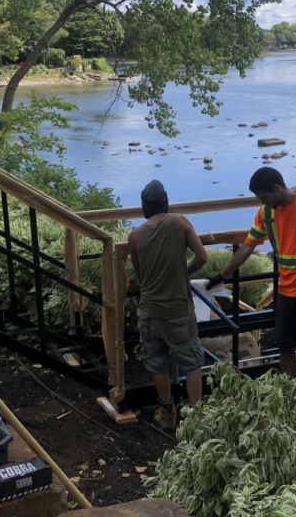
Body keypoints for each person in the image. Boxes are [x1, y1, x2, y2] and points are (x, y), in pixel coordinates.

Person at [209, 167, 296, 389]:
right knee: (284, 343)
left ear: (277, 188)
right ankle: (289, 389)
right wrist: (222, 275)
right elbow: (247, 247)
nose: (263, 203)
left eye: (264, 197)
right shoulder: (266, 213)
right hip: (287, 289)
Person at [127, 179, 208, 430]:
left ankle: (167, 414)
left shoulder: (134, 236)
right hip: (178, 310)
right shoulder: (180, 223)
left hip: (149, 311)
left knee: (156, 364)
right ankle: (195, 420)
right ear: (166, 203)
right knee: (192, 363)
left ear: (144, 207)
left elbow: (140, 276)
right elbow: (202, 256)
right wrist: (184, 272)